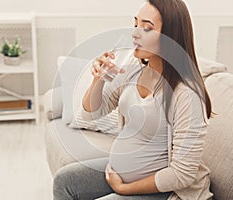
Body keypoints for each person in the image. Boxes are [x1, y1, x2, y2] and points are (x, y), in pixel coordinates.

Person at [53, 0, 214, 199]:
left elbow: (182, 174)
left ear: (170, 37)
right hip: (121, 174)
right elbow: (90, 114)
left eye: (147, 28)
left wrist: (124, 189)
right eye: (135, 24)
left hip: (166, 190)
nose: (135, 33)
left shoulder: (187, 94)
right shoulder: (133, 69)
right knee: (65, 181)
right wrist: (98, 80)